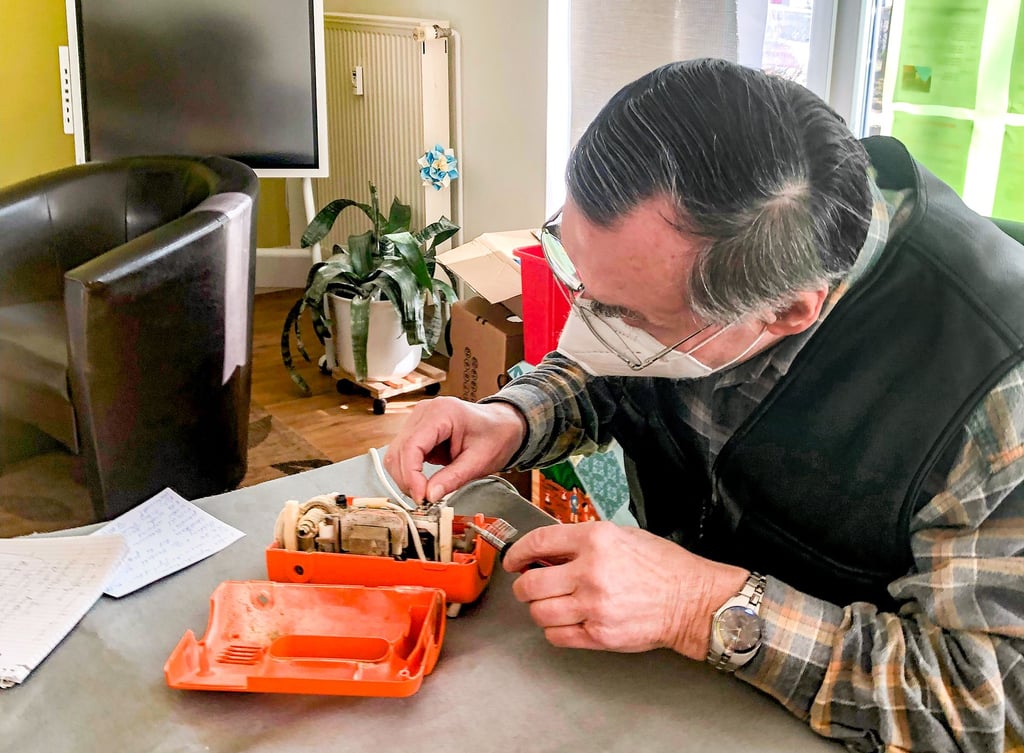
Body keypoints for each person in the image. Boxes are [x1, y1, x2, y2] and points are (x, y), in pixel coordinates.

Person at [384, 58, 1024, 752]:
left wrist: (699, 606)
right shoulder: (721, 235)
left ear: (785, 312)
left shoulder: (996, 398)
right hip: (677, 692)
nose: (584, 323)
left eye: (623, 313)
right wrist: (512, 417)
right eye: (576, 272)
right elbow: (615, 356)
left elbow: (977, 702)